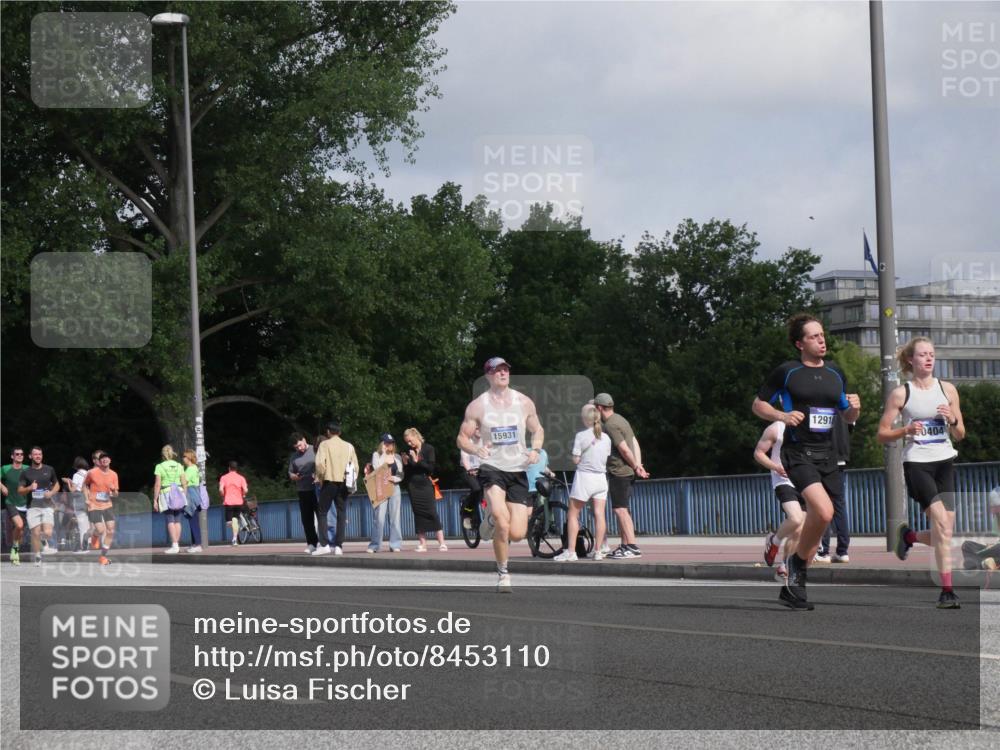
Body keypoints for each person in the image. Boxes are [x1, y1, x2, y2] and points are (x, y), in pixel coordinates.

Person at [753, 313, 861, 611]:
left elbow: (847, 417)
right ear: (800, 343)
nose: (821, 339)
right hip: (798, 453)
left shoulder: (836, 374)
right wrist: (782, 416)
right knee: (824, 512)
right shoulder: (787, 372)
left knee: (821, 518)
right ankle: (796, 567)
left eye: (822, 334)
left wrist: (854, 409)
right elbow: (758, 404)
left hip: (829, 454)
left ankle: (795, 578)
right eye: (814, 336)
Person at [878, 336, 965, 609]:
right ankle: (947, 591)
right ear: (911, 360)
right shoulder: (901, 394)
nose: (929, 358)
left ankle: (910, 537)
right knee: (940, 522)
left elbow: (960, 434)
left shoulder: (948, 390)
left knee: (945, 531)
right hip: (917, 463)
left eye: (932, 354)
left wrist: (951, 419)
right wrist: (905, 430)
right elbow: (881, 433)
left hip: (944, 461)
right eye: (923, 354)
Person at [457, 357, 544, 592]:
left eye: (506, 369)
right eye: (497, 370)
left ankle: (491, 520)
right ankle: (503, 573)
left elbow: (538, 429)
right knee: (502, 520)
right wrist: (476, 449)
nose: (503, 373)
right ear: (488, 376)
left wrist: (535, 450)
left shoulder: (524, 402)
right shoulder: (478, 406)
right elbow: (462, 438)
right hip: (491, 467)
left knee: (517, 533)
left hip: (517, 469)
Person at [593, 392, 649, 559]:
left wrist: (635, 466)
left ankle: (632, 546)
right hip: (627, 471)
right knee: (623, 509)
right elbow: (634, 442)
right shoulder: (621, 419)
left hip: (620, 472)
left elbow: (625, 448)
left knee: (620, 510)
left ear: (599, 408)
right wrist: (638, 465)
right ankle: (625, 545)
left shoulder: (610, 425)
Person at [556, 403, 613, 562]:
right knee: (599, 514)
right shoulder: (606, 438)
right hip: (601, 478)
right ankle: (598, 551)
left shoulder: (581, 436)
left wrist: (578, 459)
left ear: (584, 419)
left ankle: (571, 551)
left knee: (573, 514)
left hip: (584, 478)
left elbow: (576, 459)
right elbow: (605, 457)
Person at [754, 421, 805, 580]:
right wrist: (775, 467)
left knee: (798, 530)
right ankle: (774, 541)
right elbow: (758, 453)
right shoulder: (777, 428)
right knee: (795, 518)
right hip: (783, 481)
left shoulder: (812, 426)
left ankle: (784, 565)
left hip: (804, 480)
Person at [314, 421, 359, 556]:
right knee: (341, 513)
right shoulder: (349, 446)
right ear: (339, 432)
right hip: (345, 483)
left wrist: (320, 479)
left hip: (329, 481)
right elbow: (355, 466)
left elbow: (320, 464)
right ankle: (339, 546)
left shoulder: (324, 444)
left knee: (322, 512)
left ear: (328, 432)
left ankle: (324, 544)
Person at [816, 414, 852, 563]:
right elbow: (850, 427)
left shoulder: (820, 401)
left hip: (822, 457)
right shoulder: (846, 406)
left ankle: (823, 551)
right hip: (840, 458)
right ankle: (843, 551)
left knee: (821, 505)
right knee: (839, 505)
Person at [402, 428, 446, 552]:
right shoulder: (408, 451)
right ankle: (423, 543)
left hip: (425, 483)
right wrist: (406, 464)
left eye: (410, 441)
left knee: (432, 511)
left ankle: (441, 542)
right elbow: (408, 472)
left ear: (416, 436)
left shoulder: (428, 449)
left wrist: (418, 461)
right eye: (407, 442)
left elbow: (430, 469)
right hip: (413, 484)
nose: (409, 444)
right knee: (418, 513)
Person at [17, 446, 60, 566]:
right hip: (32, 506)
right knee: (35, 532)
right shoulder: (25, 472)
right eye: (35, 454)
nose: (38, 456)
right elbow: (20, 490)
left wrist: (51, 493)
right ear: (30, 456)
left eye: (40, 454)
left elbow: (57, 485)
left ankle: (43, 542)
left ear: (42, 456)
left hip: (46, 506)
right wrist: (30, 488)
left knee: (48, 533)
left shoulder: (49, 469)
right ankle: (37, 556)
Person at [365, 434, 403, 553]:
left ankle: (395, 544)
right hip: (381, 487)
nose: (389, 445)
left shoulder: (397, 456)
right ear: (382, 444)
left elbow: (401, 474)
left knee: (395, 518)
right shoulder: (376, 455)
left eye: (391, 443)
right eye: (386, 443)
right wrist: (382, 453)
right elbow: (377, 469)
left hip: (395, 488)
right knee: (379, 518)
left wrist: (394, 478)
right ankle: (375, 545)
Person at [84, 452, 120, 563]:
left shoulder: (114, 475)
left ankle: (103, 556)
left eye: (106, 458)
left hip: (107, 504)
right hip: (94, 504)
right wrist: (87, 499)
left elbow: (116, 495)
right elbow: (85, 485)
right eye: (102, 459)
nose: (104, 460)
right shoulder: (92, 473)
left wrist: (114, 490)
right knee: (100, 529)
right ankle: (95, 535)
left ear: (110, 460)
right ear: (99, 461)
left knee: (110, 530)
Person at [152, 445, 187, 554]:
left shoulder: (160, 466)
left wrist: (155, 499)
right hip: (179, 492)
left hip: (166, 493)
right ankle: (177, 544)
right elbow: (184, 482)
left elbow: (157, 484)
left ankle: (174, 545)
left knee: (170, 519)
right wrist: (184, 494)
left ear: (163, 455)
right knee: (178, 520)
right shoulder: (179, 465)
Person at [288, 433, 320, 554]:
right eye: (296, 447)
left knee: (321, 516)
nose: (299, 448)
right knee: (307, 519)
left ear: (304, 440)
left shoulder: (315, 449)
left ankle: (324, 542)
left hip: (316, 489)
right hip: (302, 490)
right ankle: (312, 543)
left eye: (300, 445)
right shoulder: (294, 457)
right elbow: (290, 472)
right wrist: (294, 477)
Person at [2, 447, 28, 565]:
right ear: (12, 456)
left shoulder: (27, 469)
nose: (20, 456)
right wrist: (2, 486)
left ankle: (15, 547)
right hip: (10, 501)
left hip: (24, 503)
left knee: (20, 530)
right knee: (19, 524)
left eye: (22, 454)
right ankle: (15, 549)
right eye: (17, 454)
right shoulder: (5, 468)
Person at [62, 457, 91, 553]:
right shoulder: (89, 473)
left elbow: (73, 490)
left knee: (81, 522)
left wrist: (69, 483)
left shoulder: (76, 475)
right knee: (87, 522)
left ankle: (83, 546)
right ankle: (89, 542)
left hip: (79, 498)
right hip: (90, 498)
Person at [218, 461, 249, 546]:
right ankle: (234, 539)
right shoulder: (241, 478)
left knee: (229, 522)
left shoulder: (224, 477)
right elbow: (246, 490)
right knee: (235, 520)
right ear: (236, 469)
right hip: (239, 502)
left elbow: (221, 489)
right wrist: (243, 494)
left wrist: (223, 496)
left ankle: (235, 532)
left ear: (229, 468)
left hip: (229, 502)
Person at [181, 450, 204, 553]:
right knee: (192, 520)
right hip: (194, 494)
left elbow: (184, 482)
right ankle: (194, 544)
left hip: (191, 495)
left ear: (189, 458)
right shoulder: (194, 468)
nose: (183, 458)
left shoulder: (190, 469)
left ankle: (198, 544)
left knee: (193, 521)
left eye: (184, 456)